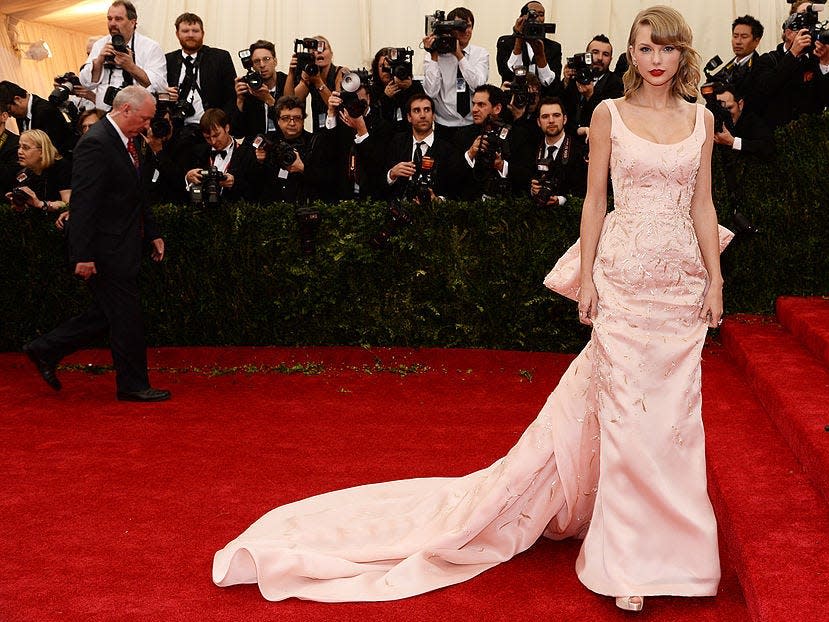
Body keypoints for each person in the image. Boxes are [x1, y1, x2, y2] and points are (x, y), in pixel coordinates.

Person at [212, 6, 729, 613]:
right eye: (645, 49)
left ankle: (680, 554)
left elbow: (703, 207)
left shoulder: (701, 117)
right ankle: (630, 558)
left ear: (681, 52)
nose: (656, 60)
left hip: (679, 289)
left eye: (666, 49)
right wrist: (587, 279)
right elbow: (593, 204)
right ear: (633, 55)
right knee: (624, 420)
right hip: (623, 281)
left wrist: (716, 280)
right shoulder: (608, 114)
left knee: (672, 419)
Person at [22, 86, 170, 403]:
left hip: (123, 244)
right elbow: (85, 203)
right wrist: (83, 255)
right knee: (126, 317)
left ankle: (45, 348)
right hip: (106, 249)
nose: (147, 125)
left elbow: (137, 193)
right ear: (126, 110)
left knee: (108, 314)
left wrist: (153, 231)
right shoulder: (96, 143)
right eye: (144, 118)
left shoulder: (129, 141)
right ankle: (133, 385)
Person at [746, 8, 829, 128]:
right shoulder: (768, 59)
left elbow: (825, 98)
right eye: (804, 33)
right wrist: (793, 53)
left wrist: (824, 63)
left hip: (809, 136)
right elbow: (764, 90)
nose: (809, 37)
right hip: (775, 135)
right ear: (788, 33)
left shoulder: (815, 60)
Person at [80, 1, 167, 111]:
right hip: (104, 113)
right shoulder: (100, 45)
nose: (112, 23)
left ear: (132, 22)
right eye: (109, 18)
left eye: (118, 19)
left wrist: (131, 67)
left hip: (137, 114)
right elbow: (86, 83)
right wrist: (99, 61)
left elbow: (160, 86)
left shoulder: (150, 47)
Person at [422, 7, 489, 140]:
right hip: (444, 125)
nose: (466, 30)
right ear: (449, 28)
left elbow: (478, 85)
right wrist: (434, 57)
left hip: (472, 123)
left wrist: (459, 55)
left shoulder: (480, 53)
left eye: (468, 26)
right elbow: (431, 92)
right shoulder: (435, 56)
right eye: (460, 26)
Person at [384, 94, 462, 202]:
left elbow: (456, 190)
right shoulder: (397, 142)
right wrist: (392, 174)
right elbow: (381, 183)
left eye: (427, 110)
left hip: (435, 214)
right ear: (409, 117)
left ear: (433, 115)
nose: (423, 115)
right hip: (400, 209)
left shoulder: (448, 149)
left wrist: (438, 200)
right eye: (416, 110)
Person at [164, 12, 236, 127]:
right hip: (176, 130)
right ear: (177, 34)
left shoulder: (220, 57)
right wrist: (165, 94)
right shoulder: (168, 60)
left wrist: (222, 123)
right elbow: (156, 93)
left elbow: (232, 96)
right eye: (185, 31)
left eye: (195, 31)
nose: (191, 35)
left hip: (212, 128)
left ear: (203, 33)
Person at [561, 35, 625, 140]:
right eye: (595, 52)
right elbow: (561, 109)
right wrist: (566, 82)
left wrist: (590, 95)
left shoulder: (617, 83)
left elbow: (610, 117)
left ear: (611, 59)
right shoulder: (575, 77)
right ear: (587, 55)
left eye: (605, 54)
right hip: (569, 141)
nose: (600, 58)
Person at [529, 97, 587, 206]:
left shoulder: (579, 151)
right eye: (545, 117)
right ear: (538, 122)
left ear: (564, 119)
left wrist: (560, 200)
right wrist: (533, 190)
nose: (551, 120)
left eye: (556, 115)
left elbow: (584, 191)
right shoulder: (531, 149)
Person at [496, 2, 562, 97]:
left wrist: (540, 56)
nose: (537, 18)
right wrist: (518, 38)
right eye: (533, 14)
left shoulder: (554, 47)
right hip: (514, 99)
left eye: (541, 15)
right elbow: (507, 74)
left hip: (543, 102)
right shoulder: (505, 42)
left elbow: (552, 84)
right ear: (522, 18)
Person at [285, 35, 347, 134]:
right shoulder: (310, 74)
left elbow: (337, 106)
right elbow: (290, 102)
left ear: (331, 54)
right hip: (319, 132)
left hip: (340, 131)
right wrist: (291, 73)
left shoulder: (341, 72)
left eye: (323, 48)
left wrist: (318, 81)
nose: (318, 52)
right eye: (314, 49)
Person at [0, 81, 76, 157]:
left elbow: (53, 148)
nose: (9, 116)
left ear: (17, 99)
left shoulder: (46, 111)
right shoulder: (20, 114)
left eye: (9, 109)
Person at [231, 40, 289, 139]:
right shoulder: (248, 86)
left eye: (266, 59)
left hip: (284, 144)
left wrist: (269, 100)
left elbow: (291, 126)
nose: (262, 65)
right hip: (255, 147)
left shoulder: (287, 83)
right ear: (252, 65)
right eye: (256, 61)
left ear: (275, 61)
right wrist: (239, 101)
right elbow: (237, 133)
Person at [5, 130, 71, 214]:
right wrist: (19, 204)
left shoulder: (61, 167)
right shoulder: (23, 173)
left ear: (42, 151)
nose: (19, 152)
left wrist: (41, 204)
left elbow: (67, 204)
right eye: (19, 147)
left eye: (25, 147)